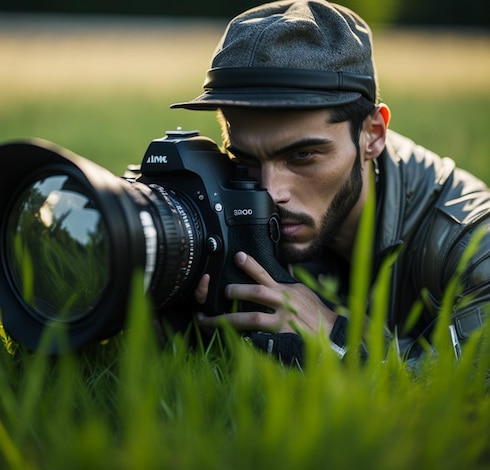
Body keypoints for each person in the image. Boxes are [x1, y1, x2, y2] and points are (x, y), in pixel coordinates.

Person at [169, 0, 490, 365]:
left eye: (302, 156)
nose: (272, 192)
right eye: (245, 160)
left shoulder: (475, 248)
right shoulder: (235, 198)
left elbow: (469, 390)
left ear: (373, 134)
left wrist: (335, 337)